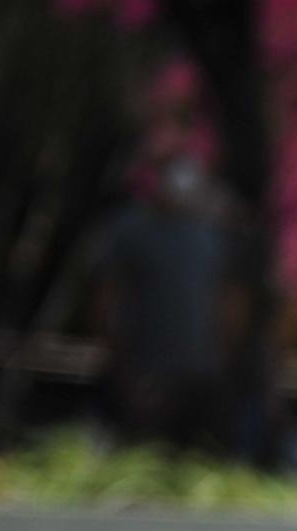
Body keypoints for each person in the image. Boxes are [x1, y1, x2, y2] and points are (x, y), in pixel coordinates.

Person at [93, 129, 240, 453]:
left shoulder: (211, 235)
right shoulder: (130, 230)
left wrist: (224, 357)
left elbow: (226, 302)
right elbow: (108, 297)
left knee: (194, 455)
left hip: (200, 371)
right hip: (146, 367)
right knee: (143, 452)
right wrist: (117, 355)